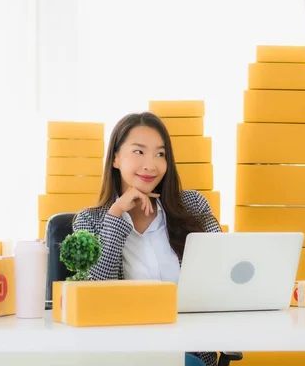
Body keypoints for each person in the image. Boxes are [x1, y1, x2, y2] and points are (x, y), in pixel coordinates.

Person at [73, 112, 220, 366]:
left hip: (188, 353)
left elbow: (222, 274)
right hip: (125, 355)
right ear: (116, 158)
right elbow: (94, 297)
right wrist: (116, 214)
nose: (151, 165)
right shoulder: (88, 221)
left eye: (160, 154)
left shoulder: (193, 205)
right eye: (139, 152)